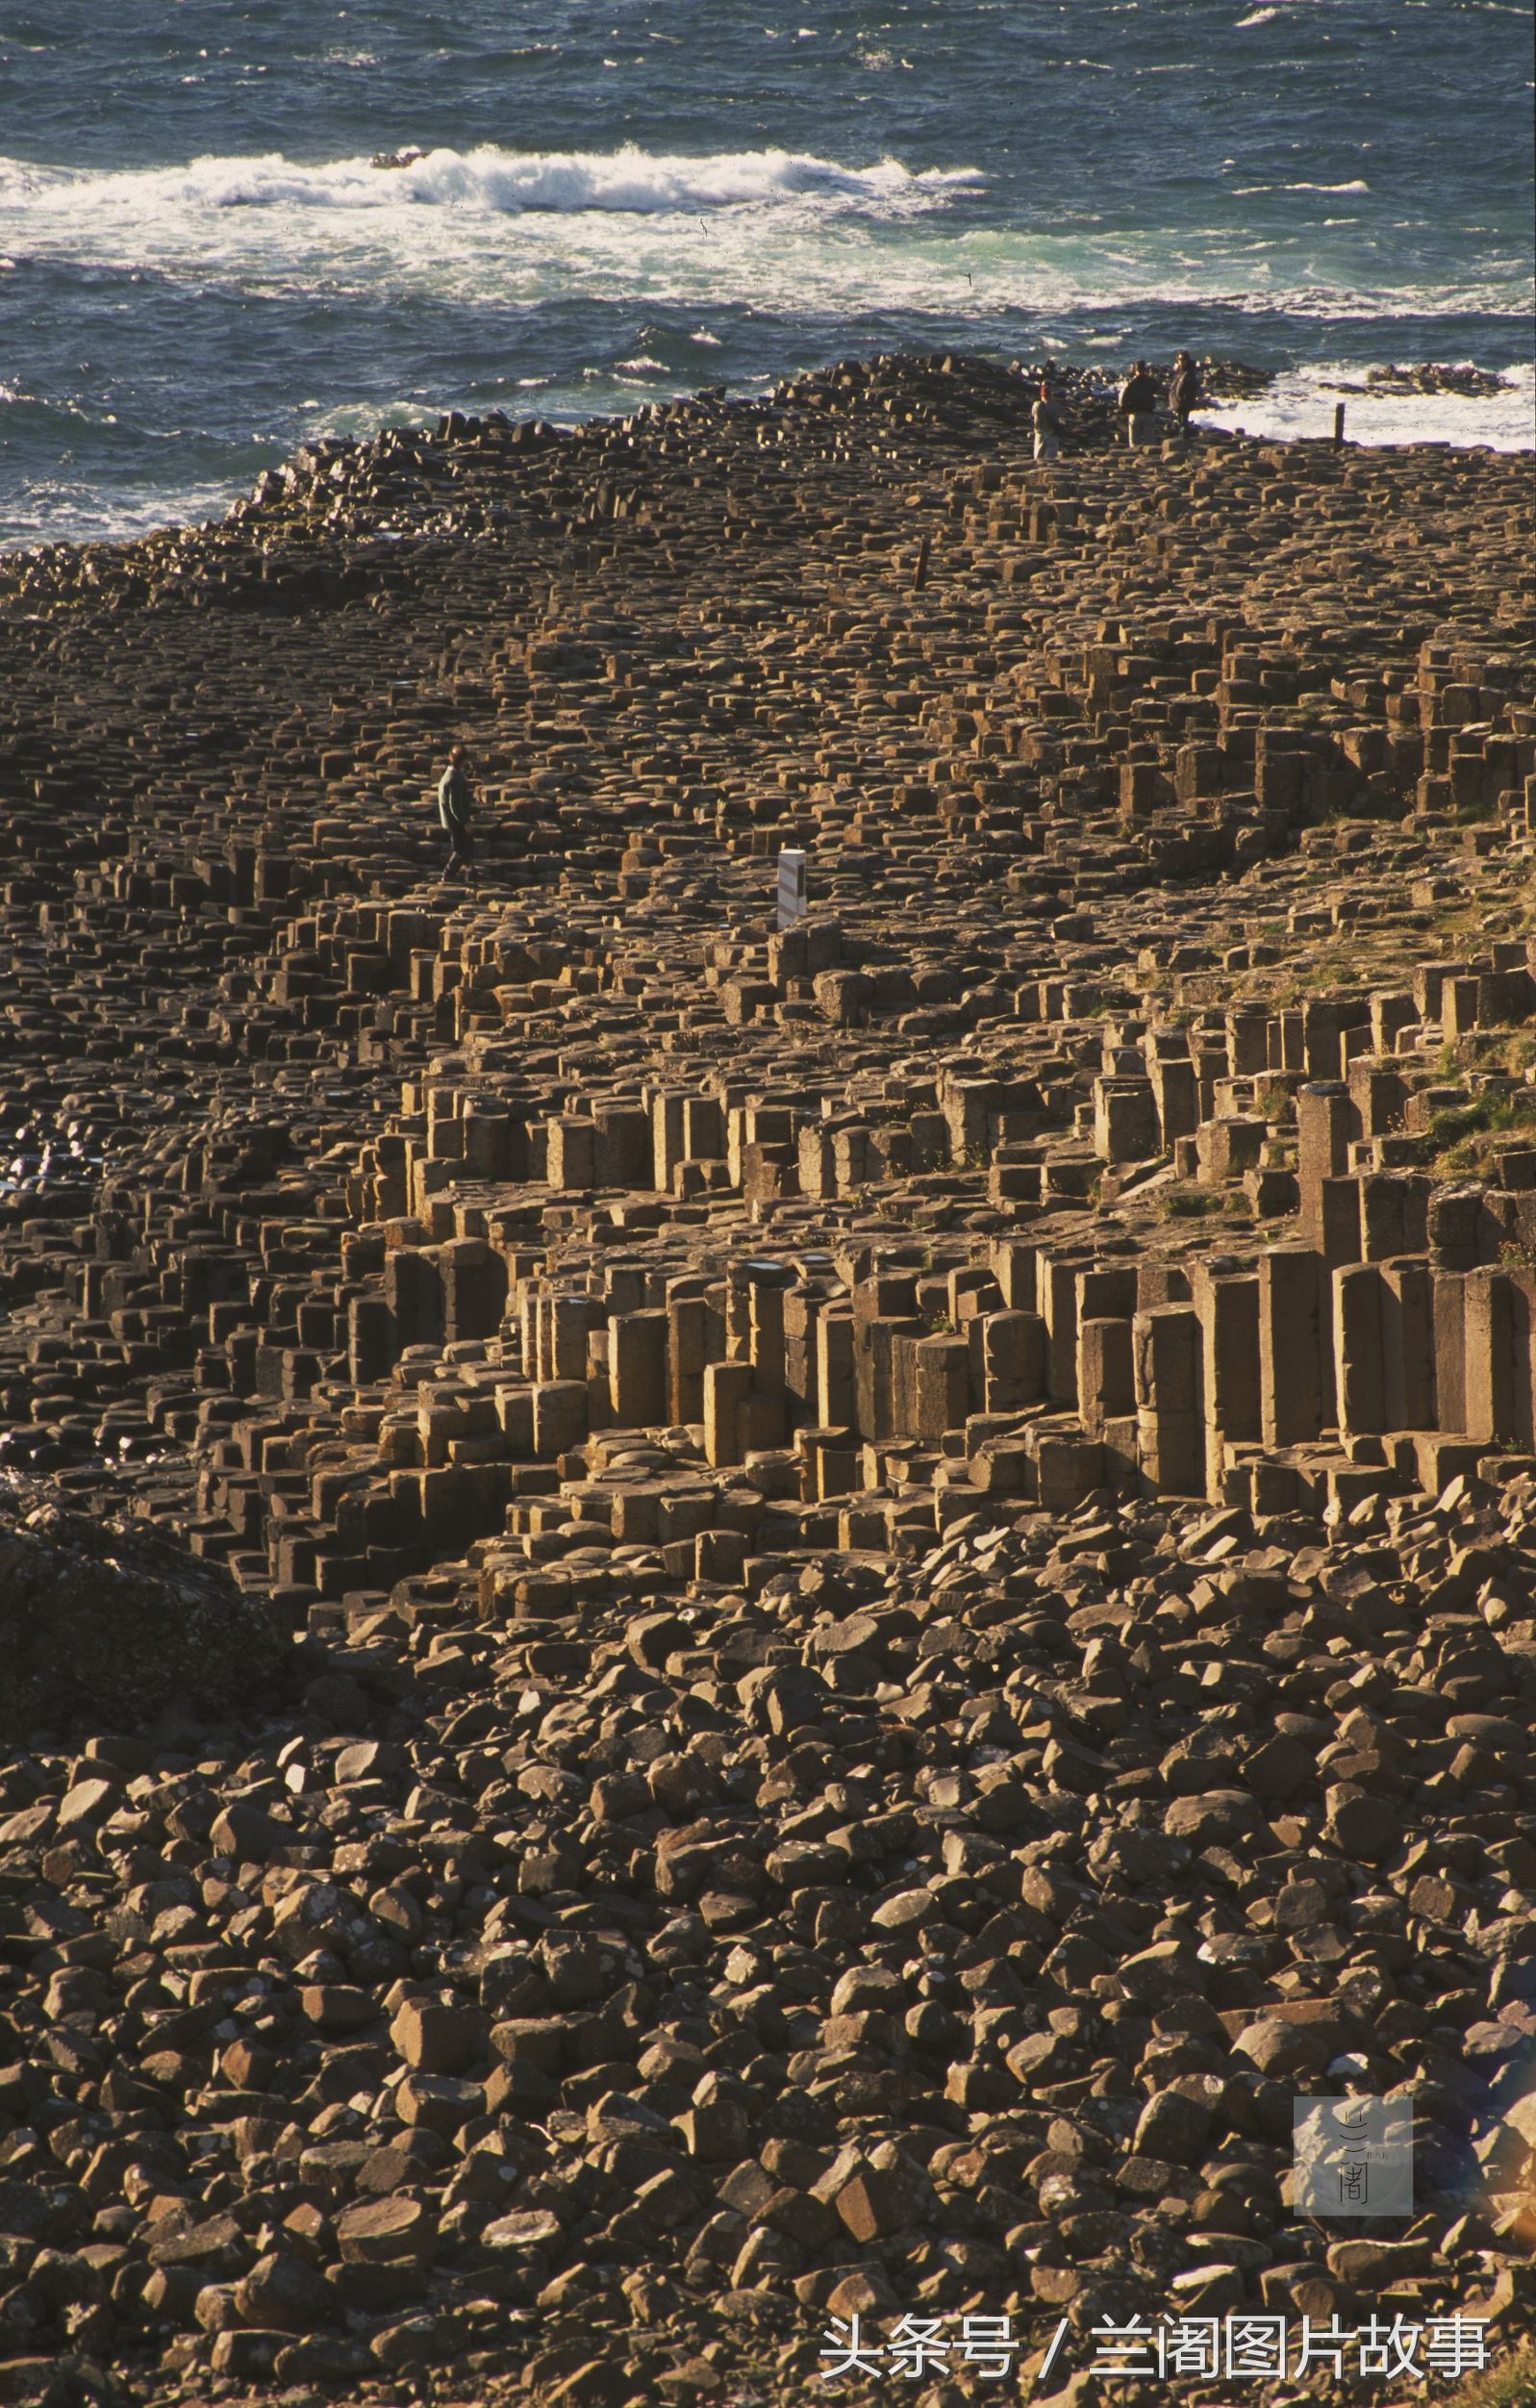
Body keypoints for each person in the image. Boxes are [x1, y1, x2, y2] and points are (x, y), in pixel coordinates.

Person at [436, 743, 477, 886]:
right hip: (456, 821)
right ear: (463, 761)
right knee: (460, 849)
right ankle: (448, 873)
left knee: (467, 845)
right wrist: (465, 822)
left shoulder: (448, 775)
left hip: (451, 820)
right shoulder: (455, 779)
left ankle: (469, 870)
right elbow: (455, 806)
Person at [1117, 359, 1159, 447]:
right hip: (1148, 413)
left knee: (1134, 445)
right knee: (1150, 443)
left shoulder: (1131, 382)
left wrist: (1124, 410)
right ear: (1145, 369)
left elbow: (1123, 398)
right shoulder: (1150, 381)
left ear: (1135, 369)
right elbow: (1158, 387)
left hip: (1134, 413)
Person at [1032, 377, 1065, 463]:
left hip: (1039, 435)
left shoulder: (1036, 405)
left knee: (1038, 460)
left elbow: (1033, 416)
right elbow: (1059, 417)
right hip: (1051, 434)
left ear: (1041, 395)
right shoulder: (1055, 405)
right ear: (1050, 395)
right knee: (1049, 460)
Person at [1170, 350, 1201, 439]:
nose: (1180, 361)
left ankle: (1183, 441)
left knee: (1183, 423)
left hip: (1184, 403)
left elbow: (1190, 389)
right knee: (1180, 423)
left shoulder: (1189, 373)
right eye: (1179, 359)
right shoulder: (1180, 371)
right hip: (1178, 402)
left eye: (1182, 359)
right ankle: (1182, 439)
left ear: (1187, 360)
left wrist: (1182, 401)